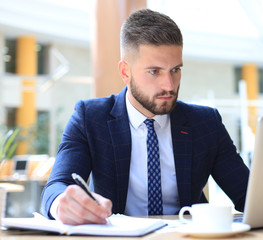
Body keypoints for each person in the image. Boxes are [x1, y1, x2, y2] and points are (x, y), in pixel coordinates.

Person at [41, 8, 249, 225]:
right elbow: (57, 186)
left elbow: (248, 195)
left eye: (175, 70)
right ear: (125, 72)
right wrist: (61, 204)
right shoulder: (90, 118)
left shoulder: (206, 123)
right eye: (154, 71)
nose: (169, 85)